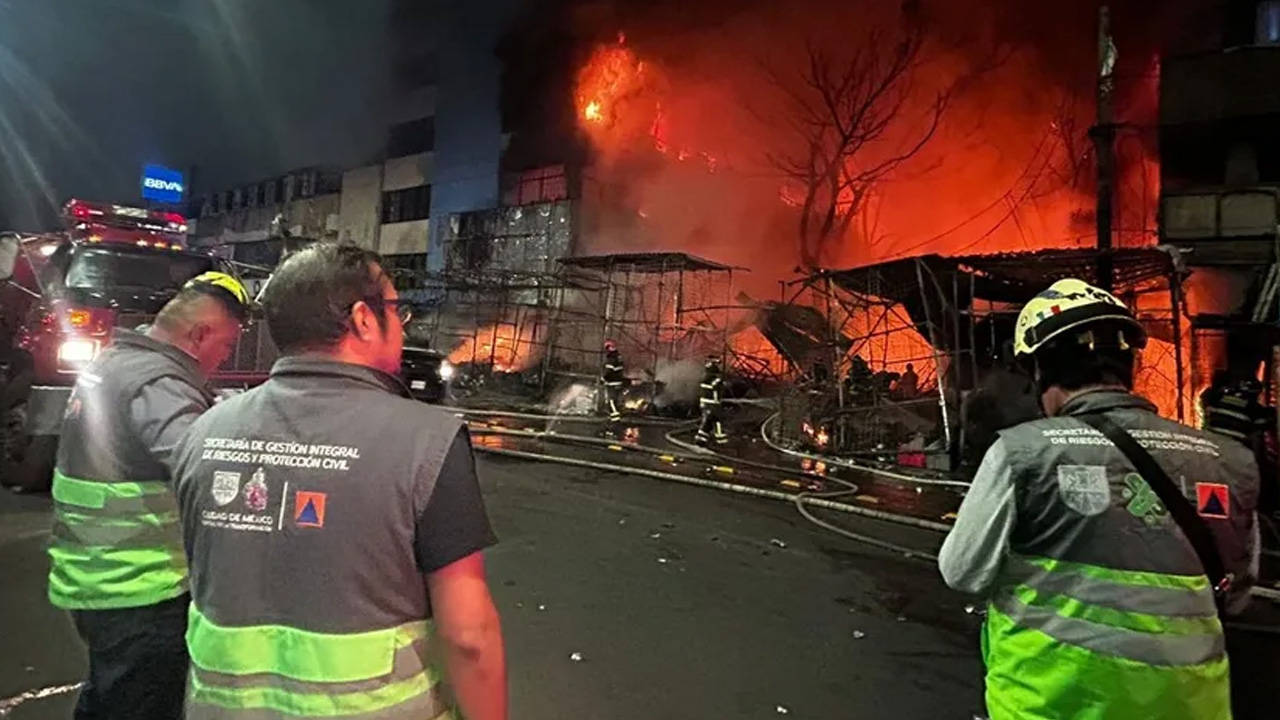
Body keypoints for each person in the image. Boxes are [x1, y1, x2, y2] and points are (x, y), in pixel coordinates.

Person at [171, 244, 506, 720]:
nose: (402, 322)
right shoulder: (429, 442)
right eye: (395, 309)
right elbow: (469, 636)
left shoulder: (202, 431)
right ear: (364, 319)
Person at [939, 278, 1259, 720]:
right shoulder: (1229, 461)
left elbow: (963, 571)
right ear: (1128, 367)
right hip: (1190, 707)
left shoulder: (1023, 451)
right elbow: (1236, 594)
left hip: (1049, 703)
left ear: (1039, 372)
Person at [47, 271, 250, 720]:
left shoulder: (114, 362)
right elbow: (203, 468)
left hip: (95, 573)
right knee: (141, 702)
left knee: (109, 693)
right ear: (200, 335)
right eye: (227, 345)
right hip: (139, 585)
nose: (224, 356)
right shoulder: (159, 384)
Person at [696, 354, 728, 446]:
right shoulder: (715, 379)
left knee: (707, 421)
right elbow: (718, 389)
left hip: (704, 404)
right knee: (717, 421)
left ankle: (700, 439)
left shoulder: (704, 377)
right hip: (713, 404)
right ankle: (721, 440)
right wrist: (723, 383)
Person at [601, 338, 625, 422]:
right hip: (618, 382)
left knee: (611, 402)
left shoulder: (611, 358)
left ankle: (615, 421)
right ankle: (615, 419)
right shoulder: (618, 357)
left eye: (607, 348)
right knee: (615, 402)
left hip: (612, 383)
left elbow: (608, 371)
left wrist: (603, 378)